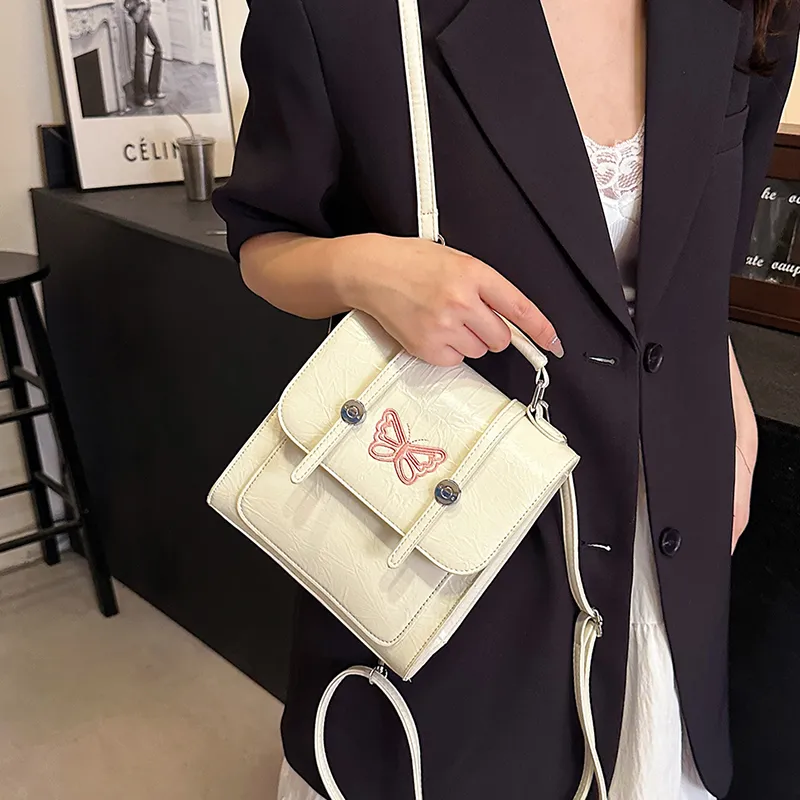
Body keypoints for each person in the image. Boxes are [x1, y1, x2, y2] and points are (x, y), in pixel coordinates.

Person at [213, 0, 800, 798]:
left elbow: (700, 266)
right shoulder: (343, 12)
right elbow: (263, 238)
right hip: (461, 510)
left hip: (669, 523)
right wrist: (369, 270)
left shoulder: (752, 8)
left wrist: (729, 418)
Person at [124, 0, 164, 108]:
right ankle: (141, 96)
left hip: (145, 15)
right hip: (139, 16)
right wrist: (140, 5)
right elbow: (127, 5)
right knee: (140, 55)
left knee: (158, 49)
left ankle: (153, 90)